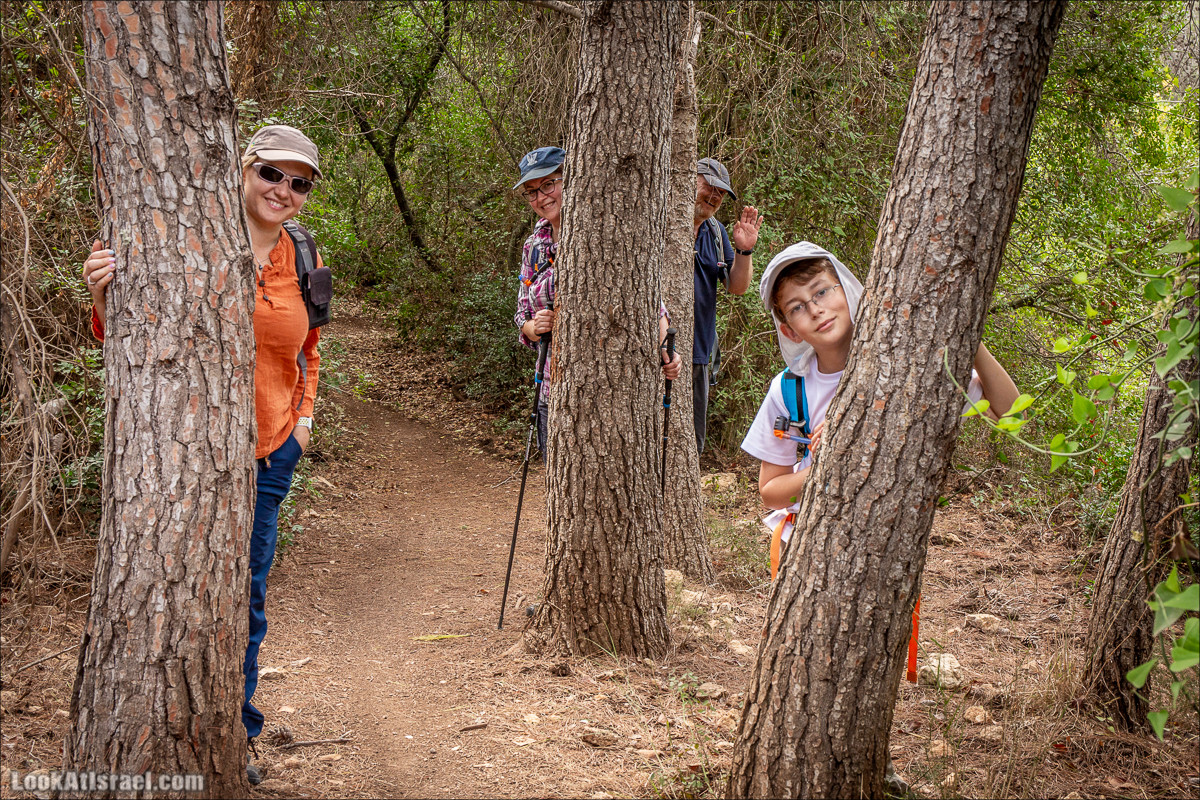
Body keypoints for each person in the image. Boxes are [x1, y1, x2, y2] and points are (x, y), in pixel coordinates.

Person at [82, 124, 327, 786]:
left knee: (243, 599)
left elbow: (309, 348)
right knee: (166, 591)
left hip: (270, 454)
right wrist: (103, 295)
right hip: (182, 459)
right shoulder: (187, 235)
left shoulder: (302, 255)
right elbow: (134, 342)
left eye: (299, 183)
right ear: (243, 168)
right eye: (271, 173)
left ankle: (233, 734)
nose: (283, 190)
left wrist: (303, 422)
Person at [739, 242, 1019, 574]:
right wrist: (827, 464)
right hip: (804, 541)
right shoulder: (789, 388)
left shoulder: (907, 364)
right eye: (797, 307)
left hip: (882, 544)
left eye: (821, 292)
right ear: (788, 330)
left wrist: (969, 337)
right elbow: (771, 492)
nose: (815, 310)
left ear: (846, 288)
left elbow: (1012, 415)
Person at [512, 146, 682, 455]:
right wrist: (535, 327)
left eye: (548, 184)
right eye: (532, 191)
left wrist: (664, 351)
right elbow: (522, 313)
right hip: (553, 386)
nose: (541, 197)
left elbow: (649, 301)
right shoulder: (533, 245)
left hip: (610, 390)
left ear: (571, 180)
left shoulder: (603, 233)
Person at [691, 157, 764, 454]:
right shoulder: (661, 222)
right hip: (654, 350)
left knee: (690, 442)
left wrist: (744, 250)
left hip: (698, 353)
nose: (714, 196)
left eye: (721, 192)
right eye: (709, 186)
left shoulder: (715, 232)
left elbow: (737, 287)